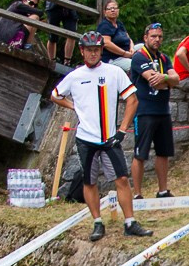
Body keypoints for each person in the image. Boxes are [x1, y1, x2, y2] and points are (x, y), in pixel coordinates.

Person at [51, 31, 155, 242]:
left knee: (122, 179)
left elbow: (132, 99)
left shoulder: (114, 72)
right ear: (81, 51)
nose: (93, 54)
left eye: (96, 50)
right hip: (85, 138)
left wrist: (122, 129)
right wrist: (74, 107)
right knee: (89, 182)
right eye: (89, 50)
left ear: (101, 50)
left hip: (110, 137)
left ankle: (130, 222)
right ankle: (97, 222)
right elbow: (55, 95)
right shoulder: (75, 75)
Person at [127, 22, 175, 199]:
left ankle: (163, 190)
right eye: (153, 36)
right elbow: (151, 79)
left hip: (163, 111)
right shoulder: (139, 57)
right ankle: (137, 194)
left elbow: (176, 79)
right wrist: (167, 80)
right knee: (140, 154)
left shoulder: (164, 58)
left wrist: (166, 78)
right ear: (145, 37)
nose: (157, 40)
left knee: (163, 152)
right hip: (145, 111)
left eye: (160, 37)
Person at [93, 0, 132, 64]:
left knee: (142, 47)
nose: (113, 10)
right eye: (110, 9)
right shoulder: (104, 25)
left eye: (115, 8)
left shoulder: (119, 23)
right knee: (134, 64)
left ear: (118, 11)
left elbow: (129, 38)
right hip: (114, 58)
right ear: (105, 12)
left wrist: (132, 48)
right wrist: (124, 53)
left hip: (127, 52)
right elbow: (106, 43)